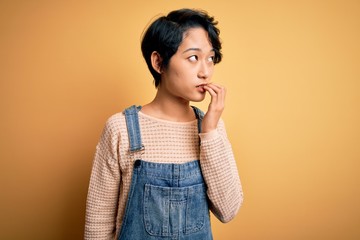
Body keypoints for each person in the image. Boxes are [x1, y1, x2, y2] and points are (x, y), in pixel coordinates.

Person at [85, 8, 244, 240]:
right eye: (193, 58)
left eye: (210, 58)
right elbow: (98, 222)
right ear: (159, 62)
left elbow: (228, 210)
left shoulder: (213, 128)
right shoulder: (120, 129)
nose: (205, 71)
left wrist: (209, 132)